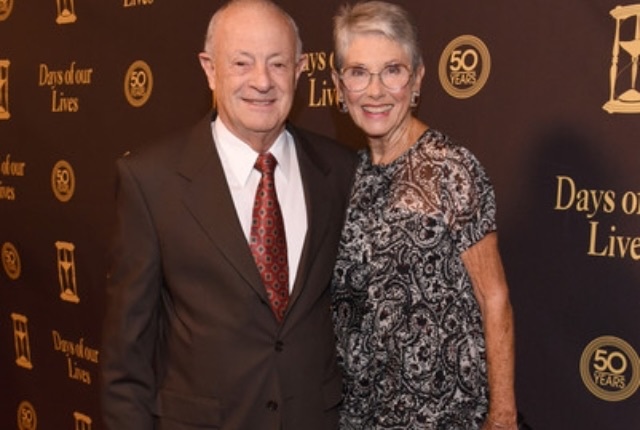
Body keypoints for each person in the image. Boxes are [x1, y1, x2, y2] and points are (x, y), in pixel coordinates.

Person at [100, 1, 356, 429]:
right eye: (241, 62)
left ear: (300, 69)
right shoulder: (151, 181)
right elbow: (127, 362)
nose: (262, 81)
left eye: (278, 63)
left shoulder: (341, 171)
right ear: (210, 69)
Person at [329, 2, 518, 429]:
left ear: (416, 79)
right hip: (359, 415)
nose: (375, 91)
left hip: (445, 415)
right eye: (359, 72)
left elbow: (495, 297)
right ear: (340, 86)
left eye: (392, 70)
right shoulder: (345, 177)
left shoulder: (452, 168)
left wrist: (502, 415)